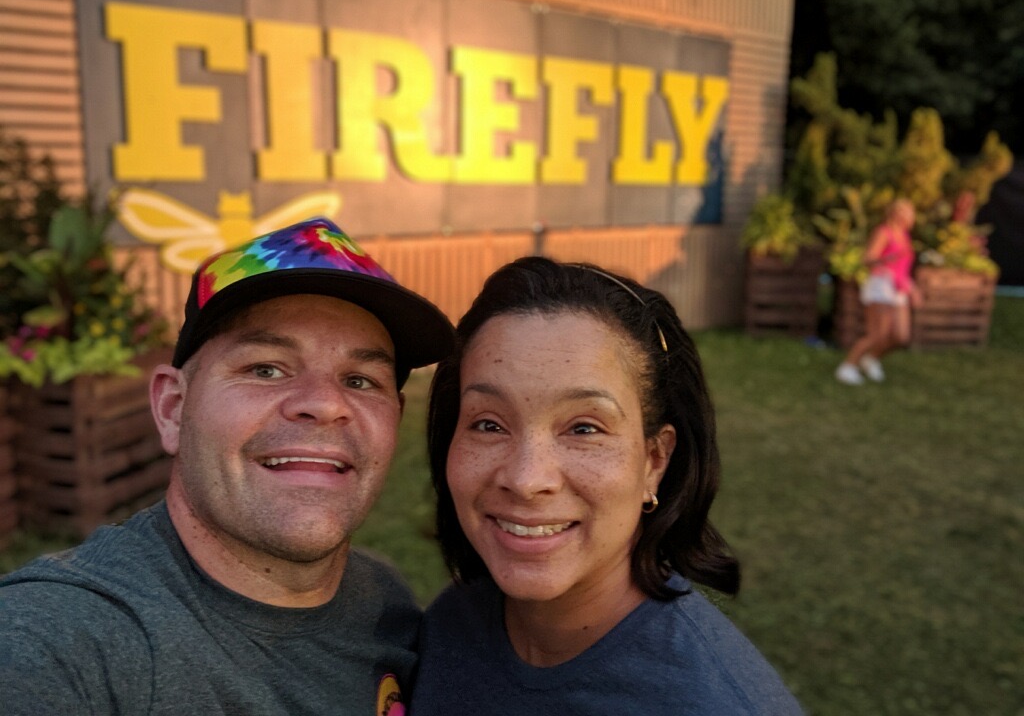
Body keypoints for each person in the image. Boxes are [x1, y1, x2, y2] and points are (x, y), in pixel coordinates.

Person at [0, 217, 454, 715]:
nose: (326, 404)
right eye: (265, 369)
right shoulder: (58, 643)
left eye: (361, 380)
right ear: (173, 408)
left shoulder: (384, 604)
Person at [412, 256, 802, 714]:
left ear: (654, 461)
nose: (526, 479)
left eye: (584, 428)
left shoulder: (712, 703)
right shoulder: (447, 627)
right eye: (489, 424)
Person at [835, 197, 921, 385]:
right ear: (895, 213)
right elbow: (867, 259)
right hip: (881, 286)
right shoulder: (883, 232)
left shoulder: (905, 236)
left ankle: (871, 359)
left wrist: (912, 288)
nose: (909, 217)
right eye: (906, 213)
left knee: (901, 335)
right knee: (877, 334)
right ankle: (848, 367)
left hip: (899, 288)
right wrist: (885, 260)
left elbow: (903, 267)